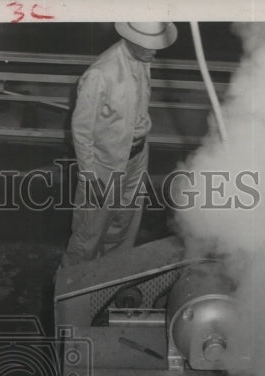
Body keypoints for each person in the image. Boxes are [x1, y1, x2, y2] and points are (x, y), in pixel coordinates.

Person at [59, 22, 178, 270]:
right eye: (150, 46)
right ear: (131, 39)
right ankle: (70, 292)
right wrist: (90, 175)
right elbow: (81, 130)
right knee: (88, 235)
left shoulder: (143, 59)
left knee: (124, 227)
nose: (155, 52)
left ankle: (109, 282)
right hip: (104, 167)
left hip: (136, 157)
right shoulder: (101, 73)